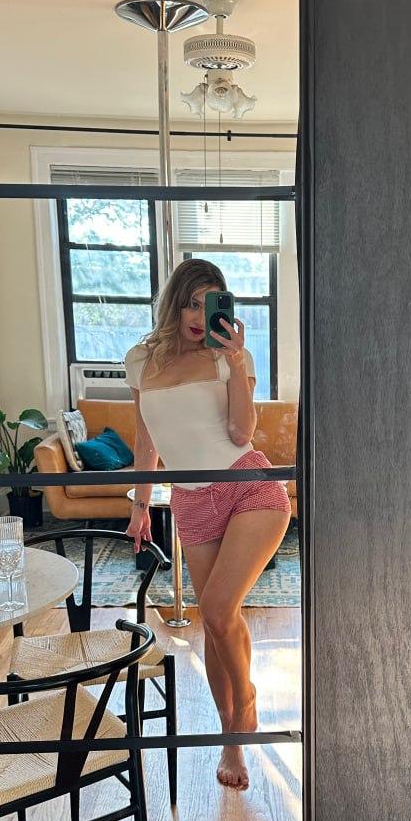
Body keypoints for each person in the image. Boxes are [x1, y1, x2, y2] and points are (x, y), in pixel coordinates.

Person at [125, 259, 291, 791]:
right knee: (216, 626)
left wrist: (237, 362)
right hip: (191, 502)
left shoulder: (229, 358)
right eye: (192, 303)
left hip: (249, 487)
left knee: (218, 609)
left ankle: (245, 707)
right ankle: (232, 736)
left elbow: (242, 432)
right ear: (175, 303)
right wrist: (140, 505)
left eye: (210, 303)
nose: (199, 316)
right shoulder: (140, 360)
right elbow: (146, 440)